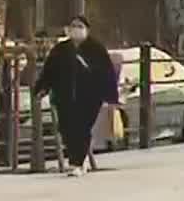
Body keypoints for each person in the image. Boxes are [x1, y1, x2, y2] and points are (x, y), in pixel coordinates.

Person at [32, 16, 119, 178]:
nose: (75, 29)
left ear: (87, 29)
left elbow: (107, 73)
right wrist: (41, 89)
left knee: (82, 128)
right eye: (73, 26)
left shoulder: (96, 49)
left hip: (90, 97)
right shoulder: (60, 50)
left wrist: (111, 96)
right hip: (64, 96)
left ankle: (77, 163)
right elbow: (49, 71)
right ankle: (79, 158)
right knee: (67, 129)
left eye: (79, 26)